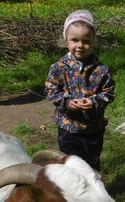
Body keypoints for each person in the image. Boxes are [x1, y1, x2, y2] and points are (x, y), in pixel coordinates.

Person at [45, 10, 115, 171]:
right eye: (74, 40)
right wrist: (67, 102)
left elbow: (109, 92)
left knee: (92, 164)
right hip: (68, 127)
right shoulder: (58, 67)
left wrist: (93, 101)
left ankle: (94, 193)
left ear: (93, 41)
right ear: (66, 40)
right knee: (70, 165)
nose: (80, 46)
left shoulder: (101, 69)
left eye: (86, 41)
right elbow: (51, 90)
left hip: (93, 128)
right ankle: (71, 194)